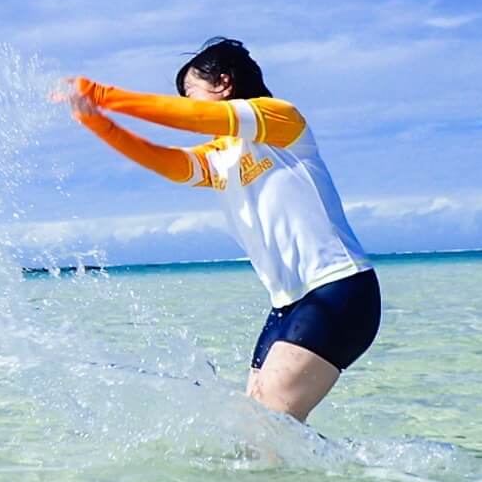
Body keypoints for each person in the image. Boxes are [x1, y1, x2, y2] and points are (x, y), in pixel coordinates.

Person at [55, 36, 378, 424]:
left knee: (270, 427)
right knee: (256, 425)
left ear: (224, 82)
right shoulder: (222, 156)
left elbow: (189, 118)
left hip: (339, 288)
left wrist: (103, 94)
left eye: (192, 95)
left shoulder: (280, 119)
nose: (188, 107)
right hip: (287, 305)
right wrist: (96, 120)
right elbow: (169, 163)